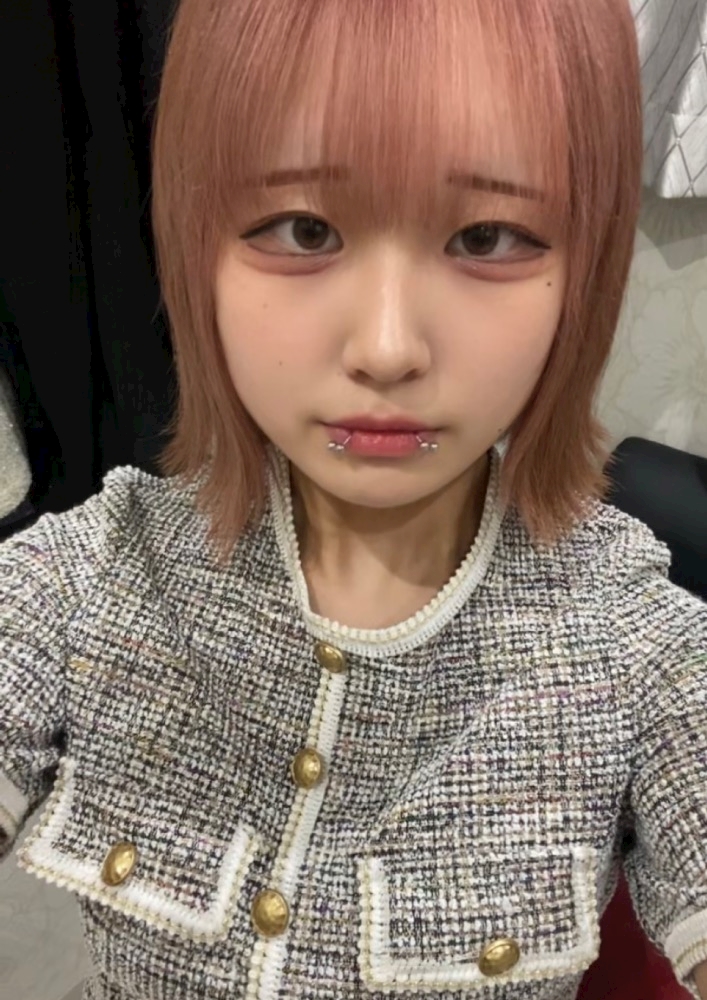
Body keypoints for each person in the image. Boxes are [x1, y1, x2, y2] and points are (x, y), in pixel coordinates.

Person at [1, 1, 706, 999]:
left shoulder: (635, 647)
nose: (385, 348)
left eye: (486, 237)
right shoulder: (89, 577)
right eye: (304, 230)